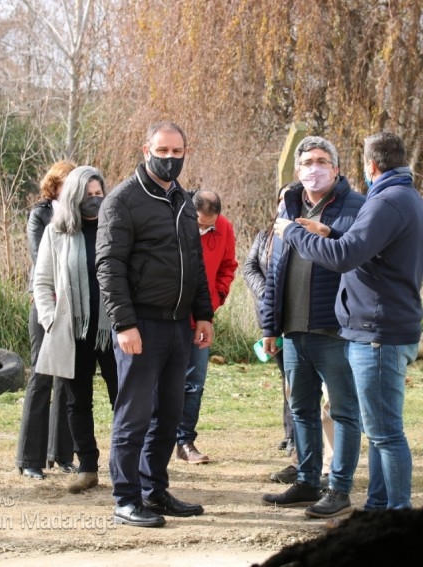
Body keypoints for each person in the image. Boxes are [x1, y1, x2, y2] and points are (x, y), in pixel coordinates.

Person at [274, 131, 423, 510]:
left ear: (370, 166)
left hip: (377, 330)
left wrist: (294, 232)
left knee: (385, 433)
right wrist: (328, 231)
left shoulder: (384, 202)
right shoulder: (402, 198)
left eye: (321, 163)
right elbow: (368, 248)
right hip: (378, 326)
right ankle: (378, 506)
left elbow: (345, 257)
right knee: (379, 434)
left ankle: (396, 513)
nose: (314, 170)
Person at [96, 121, 213, 529]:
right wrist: (124, 324)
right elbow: (108, 267)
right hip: (140, 325)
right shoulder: (122, 201)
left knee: (169, 414)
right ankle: (126, 498)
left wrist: (205, 314)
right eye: (162, 151)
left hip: (180, 326)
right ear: (146, 149)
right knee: (134, 415)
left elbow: (195, 263)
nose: (169, 159)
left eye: (176, 152)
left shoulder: (184, 199)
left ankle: (154, 489)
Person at [260, 136, 364, 519]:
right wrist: (270, 326)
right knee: (301, 408)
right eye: (306, 162)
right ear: (298, 170)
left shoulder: (355, 206)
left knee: (343, 411)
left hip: (333, 330)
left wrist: (330, 234)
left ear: (336, 169)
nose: (313, 168)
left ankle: (339, 488)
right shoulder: (288, 207)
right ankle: (307, 480)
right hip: (292, 331)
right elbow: (274, 270)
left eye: (321, 161)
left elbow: (356, 253)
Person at [32, 165, 119, 494]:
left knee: (123, 398)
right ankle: (87, 467)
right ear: (74, 197)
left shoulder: (115, 228)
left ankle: (126, 464)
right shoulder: (57, 231)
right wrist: (51, 320)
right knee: (76, 401)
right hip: (73, 330)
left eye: (100, 194)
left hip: (113, 329)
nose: (95, 200)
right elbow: (41, 282)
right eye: (88, 195)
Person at [244, 184, 335, 485]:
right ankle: (300, 462)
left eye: (291, 199)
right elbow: (255, 270)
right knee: (295, 396)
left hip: (326, 330)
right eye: (282, 199)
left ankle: (330, 469)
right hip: (284, 327)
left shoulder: (320, 230)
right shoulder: (268, 237)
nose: (286, 204)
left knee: (329, 403)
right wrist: (269, 308)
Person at [16, 160, 77, 480]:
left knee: (68, 378)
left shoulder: (83, 216)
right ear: (55, 185)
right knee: (41, 378)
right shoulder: (40, 214)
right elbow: (41, 257)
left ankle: (62, 454)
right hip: (44, 304)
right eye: (68, 183)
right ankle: (30, 459)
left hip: (73, 306)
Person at [175, 189, 238, 464]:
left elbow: (228, 266)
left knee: (195, 382)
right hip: (170, 317)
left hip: (202, 318)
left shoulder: (224, 228)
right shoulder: (176, 221)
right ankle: (156, 439)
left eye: (210, 224)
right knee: (162, 382)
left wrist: (217, 298)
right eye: (202, 223)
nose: (206, 228)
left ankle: (185, 441)